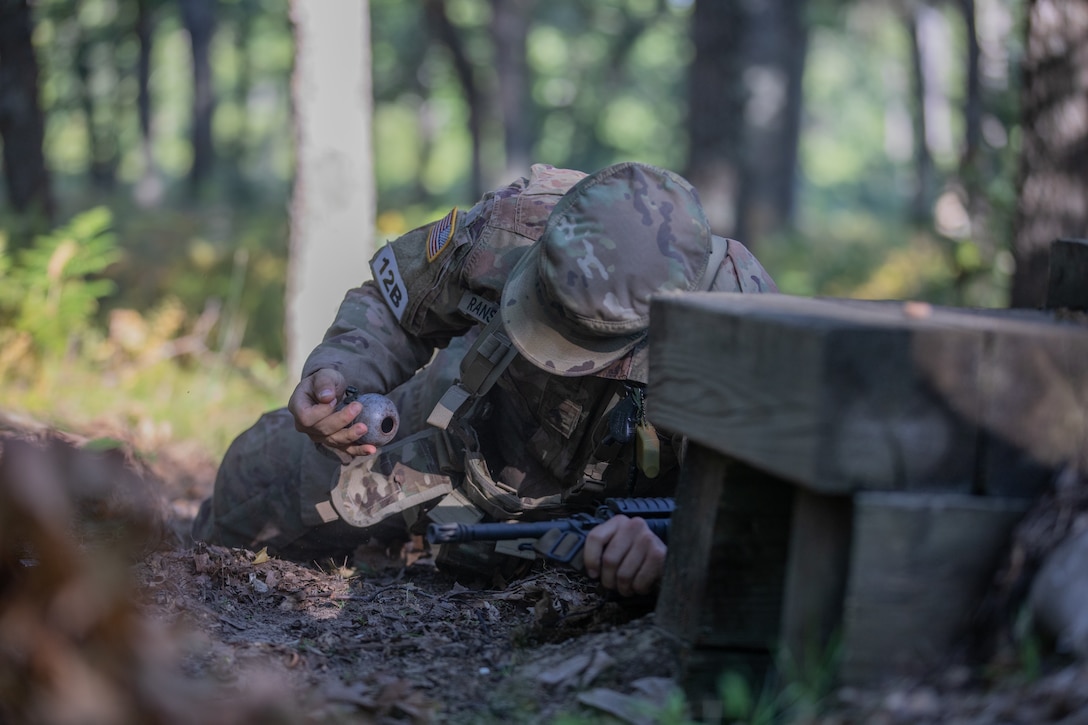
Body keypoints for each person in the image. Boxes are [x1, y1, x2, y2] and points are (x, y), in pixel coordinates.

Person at [193, 161, 777, 596]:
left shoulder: (739, 325)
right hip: (458, 430)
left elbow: (755, 508)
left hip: (606, 520)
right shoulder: (512, 226)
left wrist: (669, 553)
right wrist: (339, 375)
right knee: (254, 481)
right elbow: (397, 305)